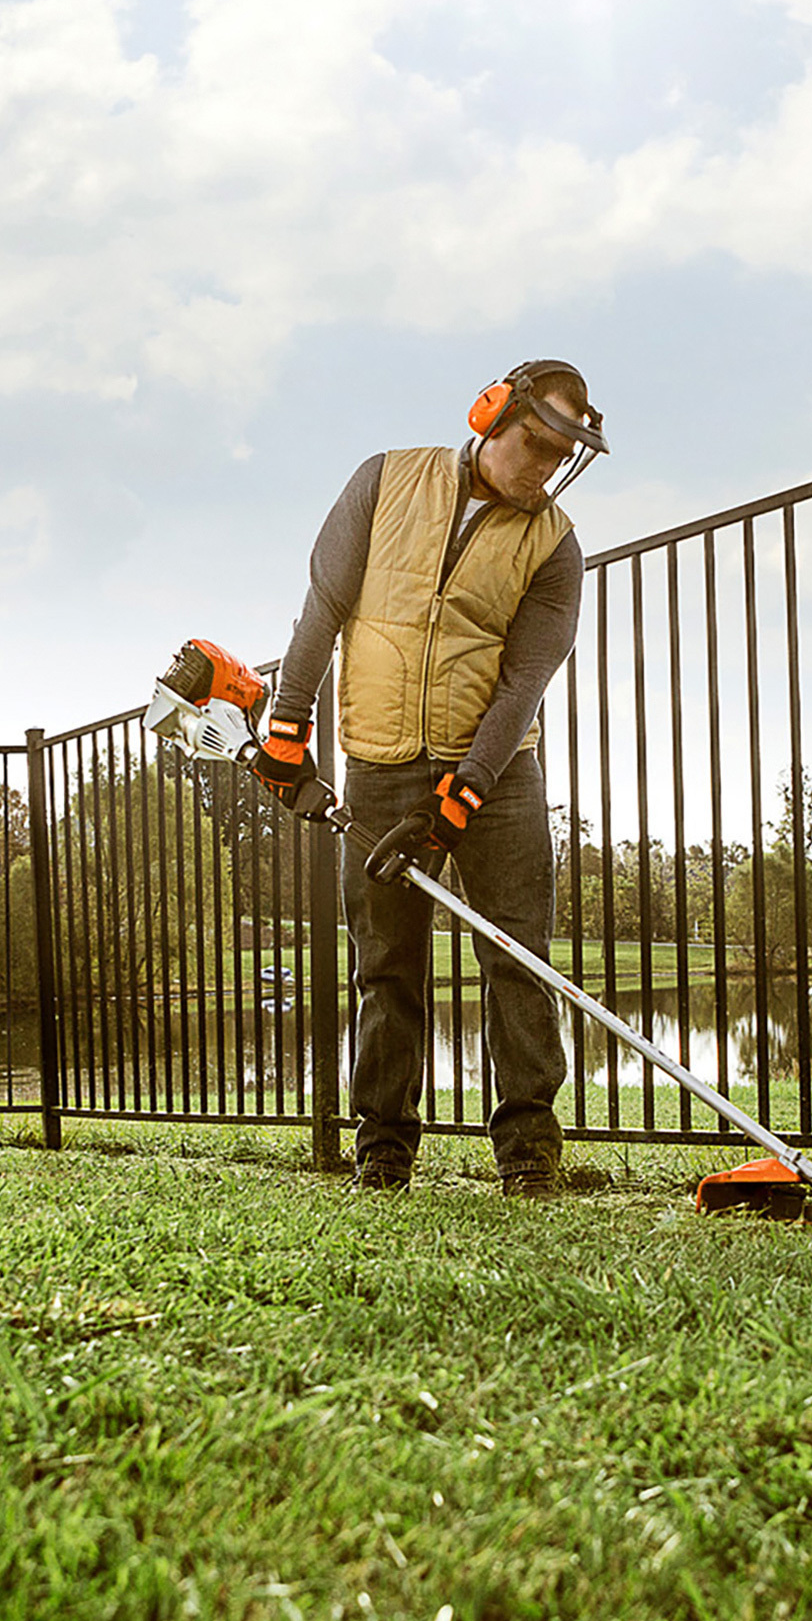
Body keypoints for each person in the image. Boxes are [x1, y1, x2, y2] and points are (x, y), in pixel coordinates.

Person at [252, 360, 608, 1195]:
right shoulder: (384, 480)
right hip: (376, 762)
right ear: (492, 415)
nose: (542, 468)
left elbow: (524, 682)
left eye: (559, 457)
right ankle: (383, 1148)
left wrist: (465, 792)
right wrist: (287, 721)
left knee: (517, 956)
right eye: (534, 444)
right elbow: (324, 606)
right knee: (386, 963)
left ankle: (527, 1152)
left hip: (498, 774)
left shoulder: (556, 547)